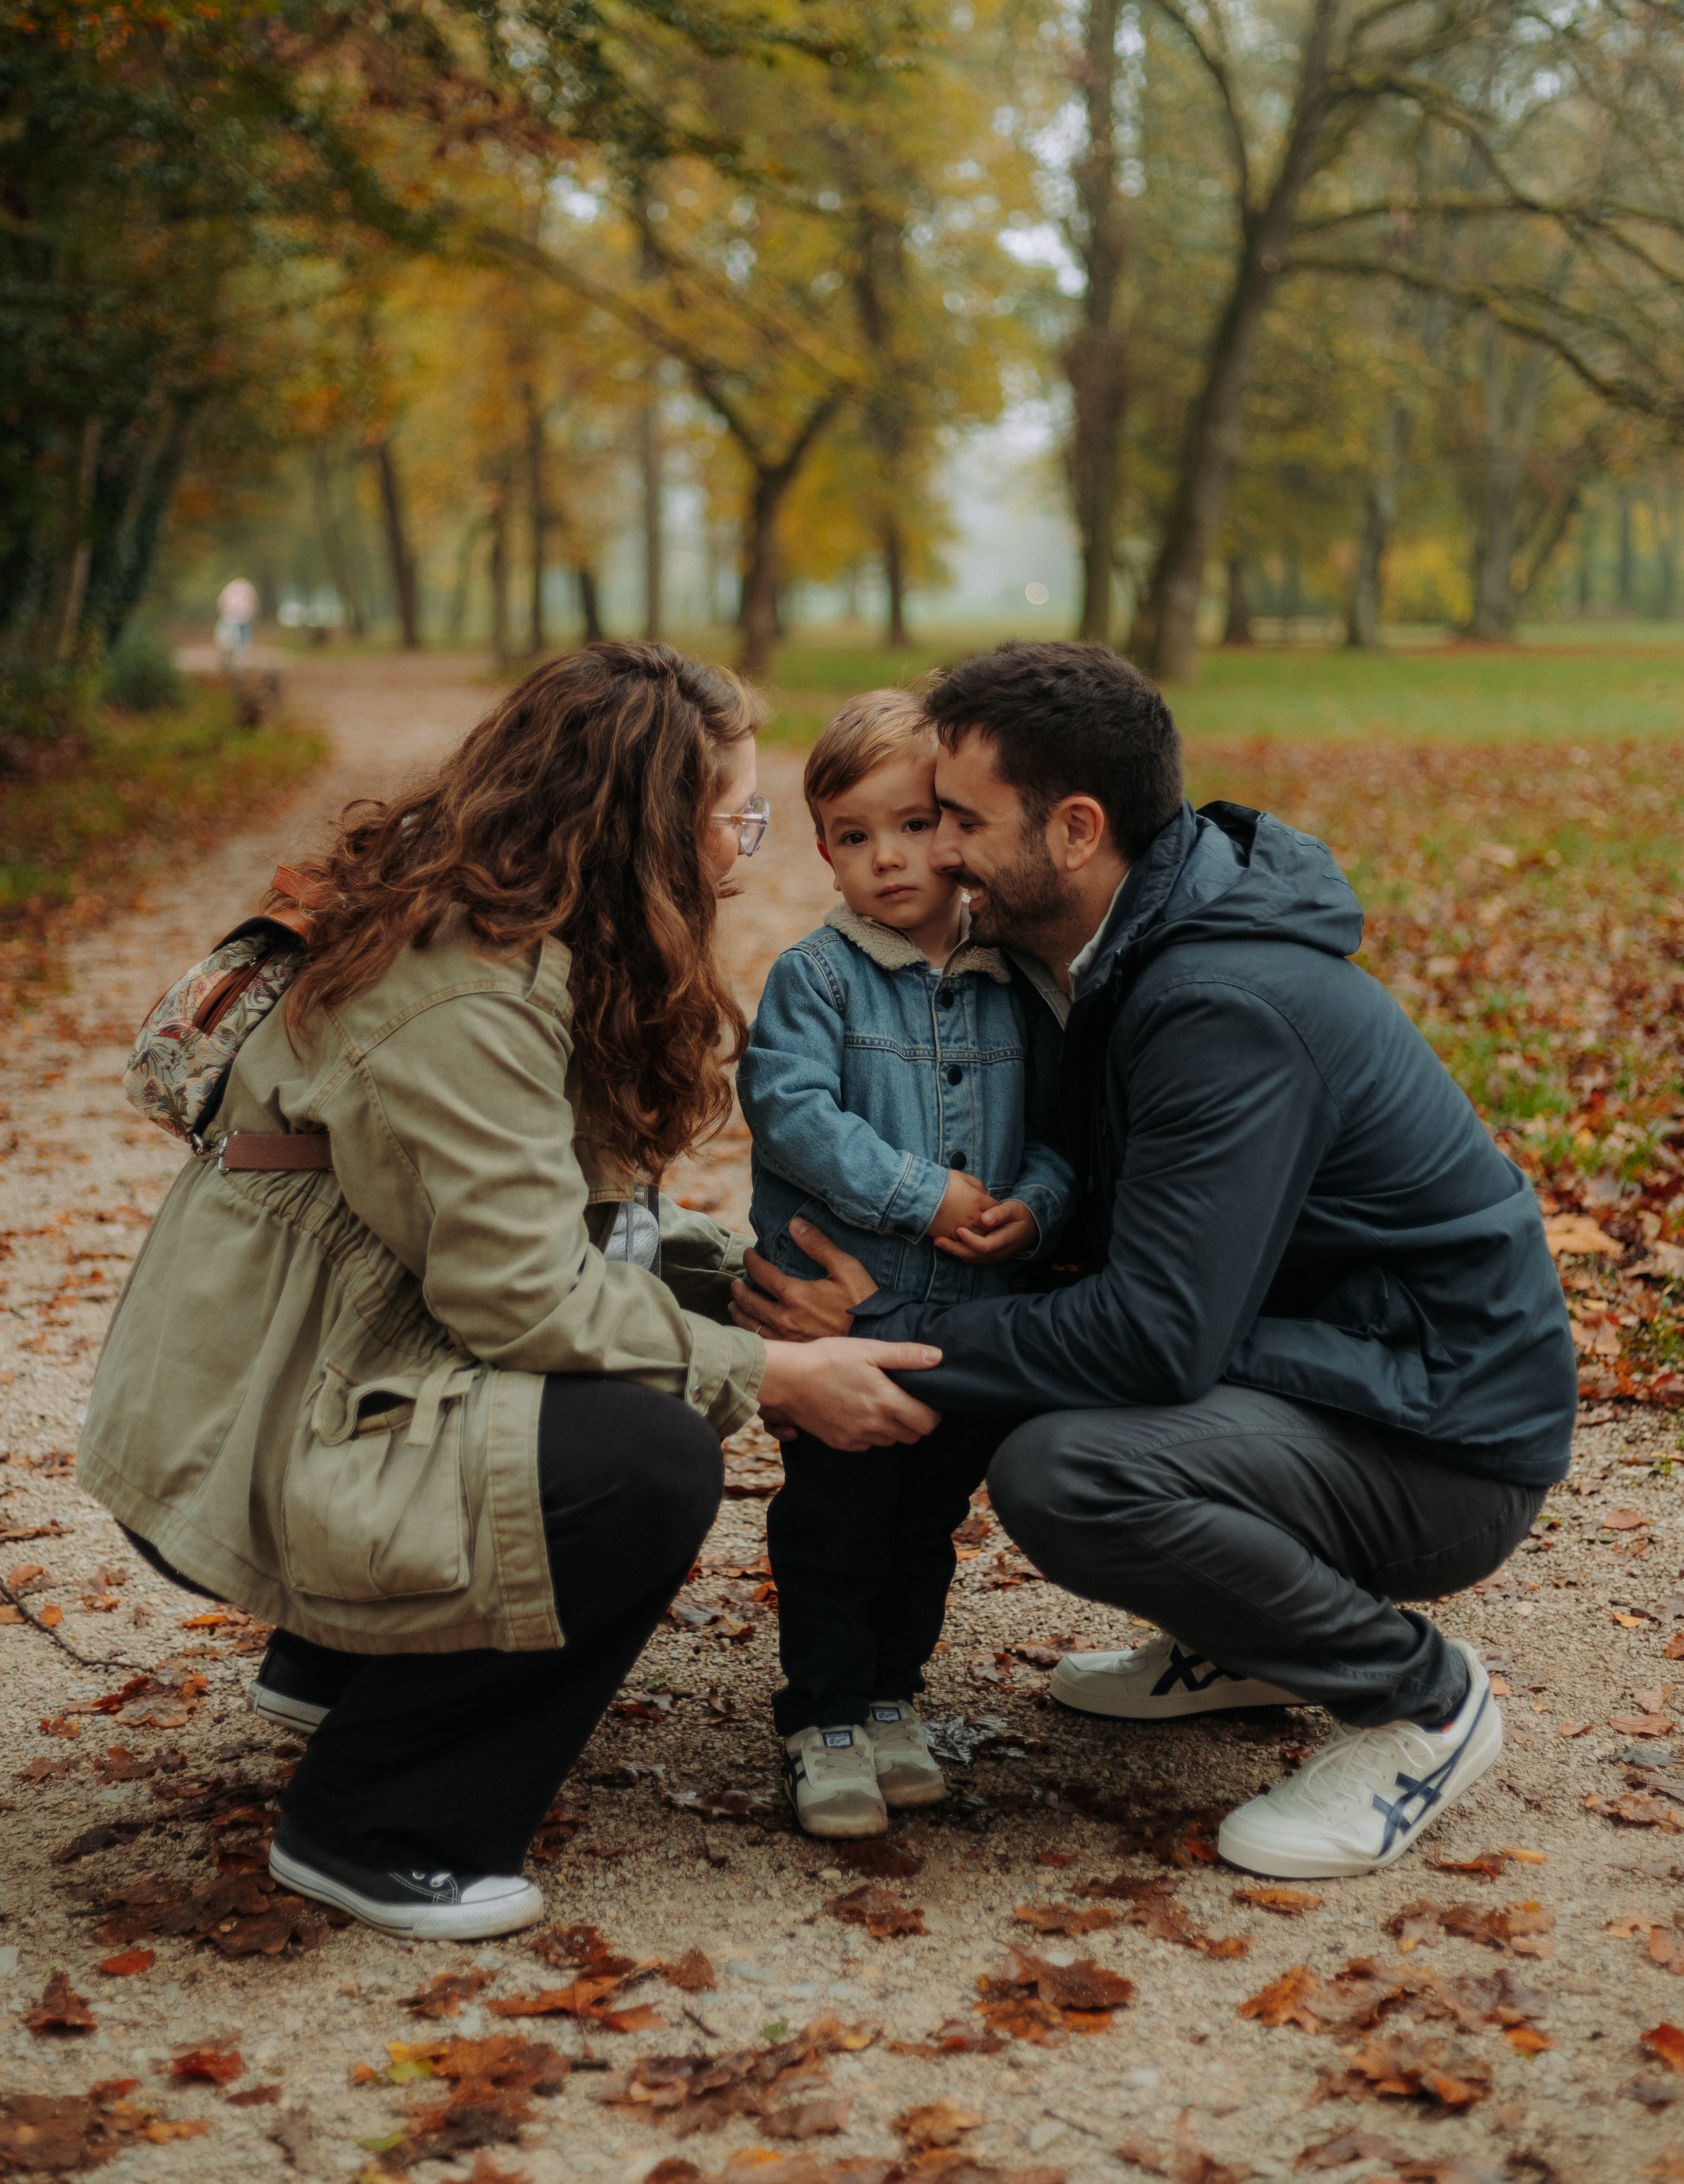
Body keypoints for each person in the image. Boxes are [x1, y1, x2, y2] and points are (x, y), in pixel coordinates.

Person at [79, 644, 945, 1940]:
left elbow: (555, 1217)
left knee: (642, 1385)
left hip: (305, 1366)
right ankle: (378, 1826)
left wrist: (746, 1287)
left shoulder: (515, 926)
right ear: (642, 821)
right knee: (640, 1465)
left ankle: (347, 1666)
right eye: (732, 818)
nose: (741, 854)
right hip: (248, 1432)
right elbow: (528, 1299)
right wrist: (768, 1374)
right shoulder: (465, 993)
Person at [730, 641, 1577, 1882]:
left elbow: (1152, 1339)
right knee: (1064, 1416)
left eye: (958, 820)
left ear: (1074, 830)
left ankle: (1421, 1705)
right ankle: (1240, 1645)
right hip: (1329, 1370)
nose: (938, 852)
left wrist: (885, 1334)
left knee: (1071, 1472)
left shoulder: (1215, 1000)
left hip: (1440, 1433)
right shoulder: (1118, 952)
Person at [738, 691, 1075, 1839]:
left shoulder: (1018, 983)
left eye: (915, 824)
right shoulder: (819, 979)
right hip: (847, 1321)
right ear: (824, 846)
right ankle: (821, 1712)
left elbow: (1061, 1136)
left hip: (970, 1325)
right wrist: (919, 1193)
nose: (887, 858)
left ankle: (891, 1695)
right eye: (851, 835)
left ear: (959, 828)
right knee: (834, 1518)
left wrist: (1032, 1209)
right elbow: (788, 1112)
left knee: (925, 1522)